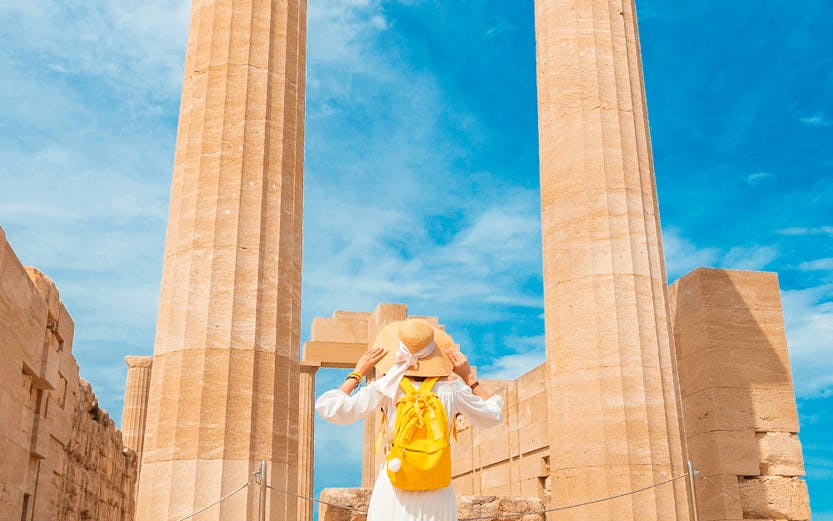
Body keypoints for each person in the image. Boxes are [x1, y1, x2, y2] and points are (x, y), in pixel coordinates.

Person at [315, 318, 505, 521]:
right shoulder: (453, 388)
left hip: (394, 485)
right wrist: (469, 378)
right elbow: (493, 415)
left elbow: (330, 408)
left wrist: (358, 372)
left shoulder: (387, 386)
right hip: (437, 489)